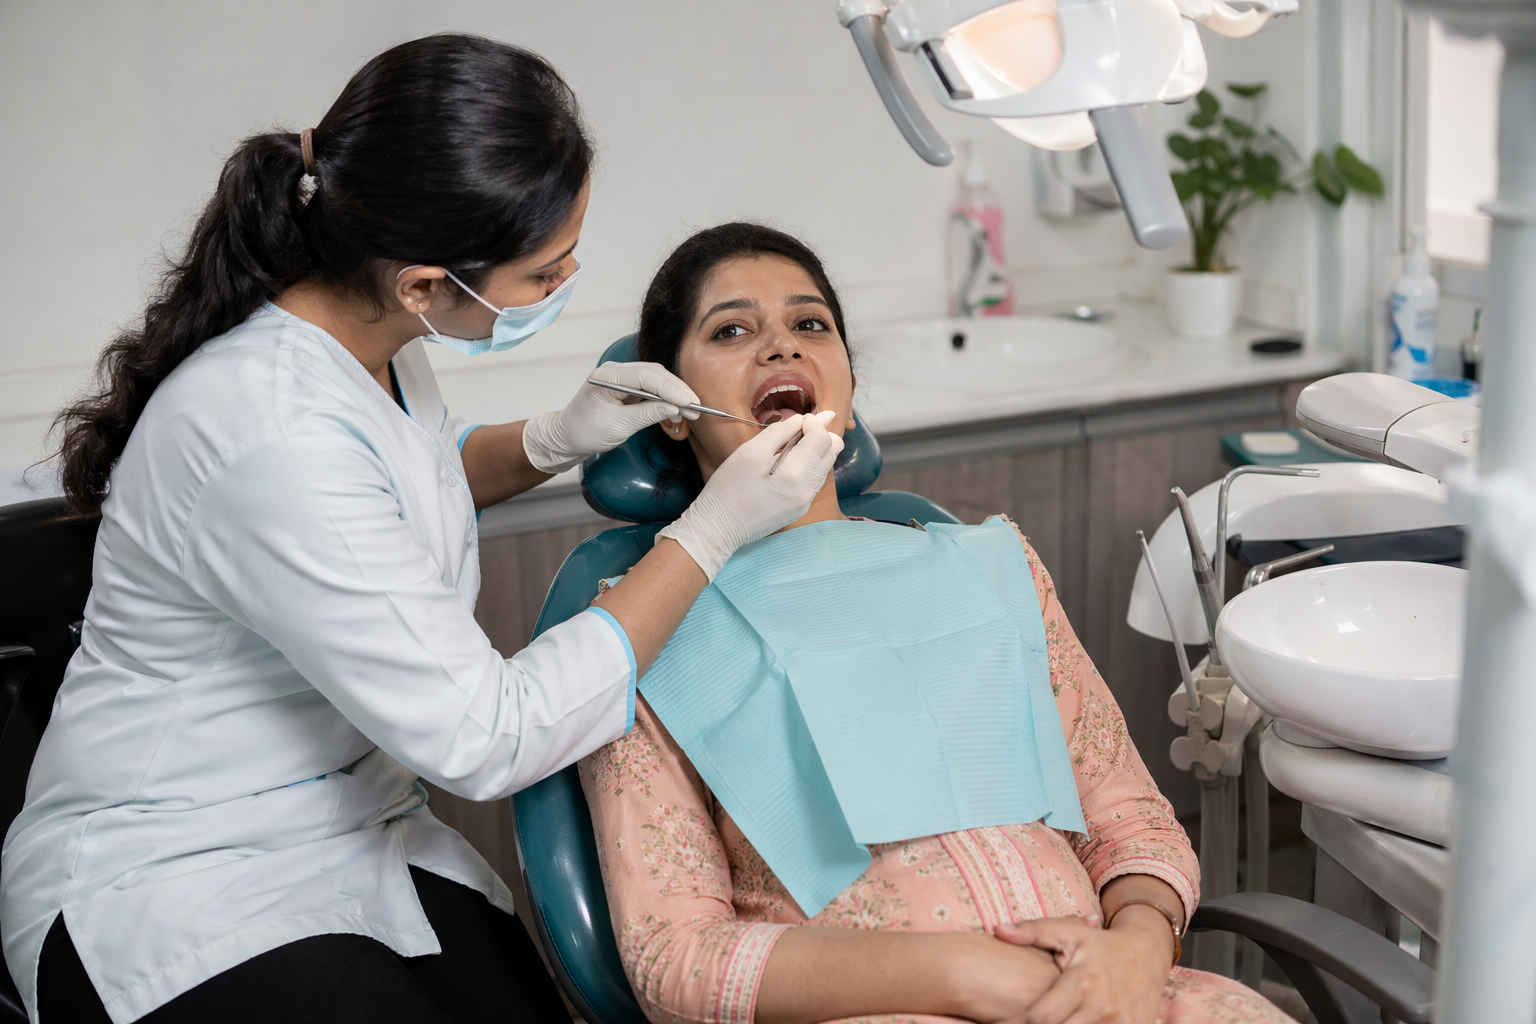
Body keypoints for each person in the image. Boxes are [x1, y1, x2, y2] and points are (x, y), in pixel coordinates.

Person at [1, 38, 842, 1024]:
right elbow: (490, 734)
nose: (570, 277)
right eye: (546, 270)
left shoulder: (374, 344)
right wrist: (712, 532)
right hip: (170, 878)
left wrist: (548, 439)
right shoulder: (264, 426)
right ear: (421, 282)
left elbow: (401, 482)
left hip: (352, 829)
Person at [580, 223, 1291, 1024]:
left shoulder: (995, 567)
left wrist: (1138, 946)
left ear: (846, 380)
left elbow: (1126, 817)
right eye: (733, 330)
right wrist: (958, 974)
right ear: (674, 411)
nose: (782, 347)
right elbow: (674, 955)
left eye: (811, 325)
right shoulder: (636, 634)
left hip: (1109, 991)